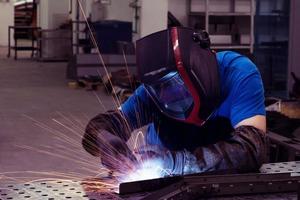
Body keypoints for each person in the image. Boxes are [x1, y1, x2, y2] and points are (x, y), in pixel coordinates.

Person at [82, 27, 268, 176]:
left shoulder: (238, 73)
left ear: (200, 71)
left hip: (219, 177)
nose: (168, 96)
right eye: (160, 90)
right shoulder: (152, 92)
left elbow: (251, 150)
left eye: (175, 87)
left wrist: (175, 163)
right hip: (162, 180)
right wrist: (104, 138)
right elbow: (98, 130)